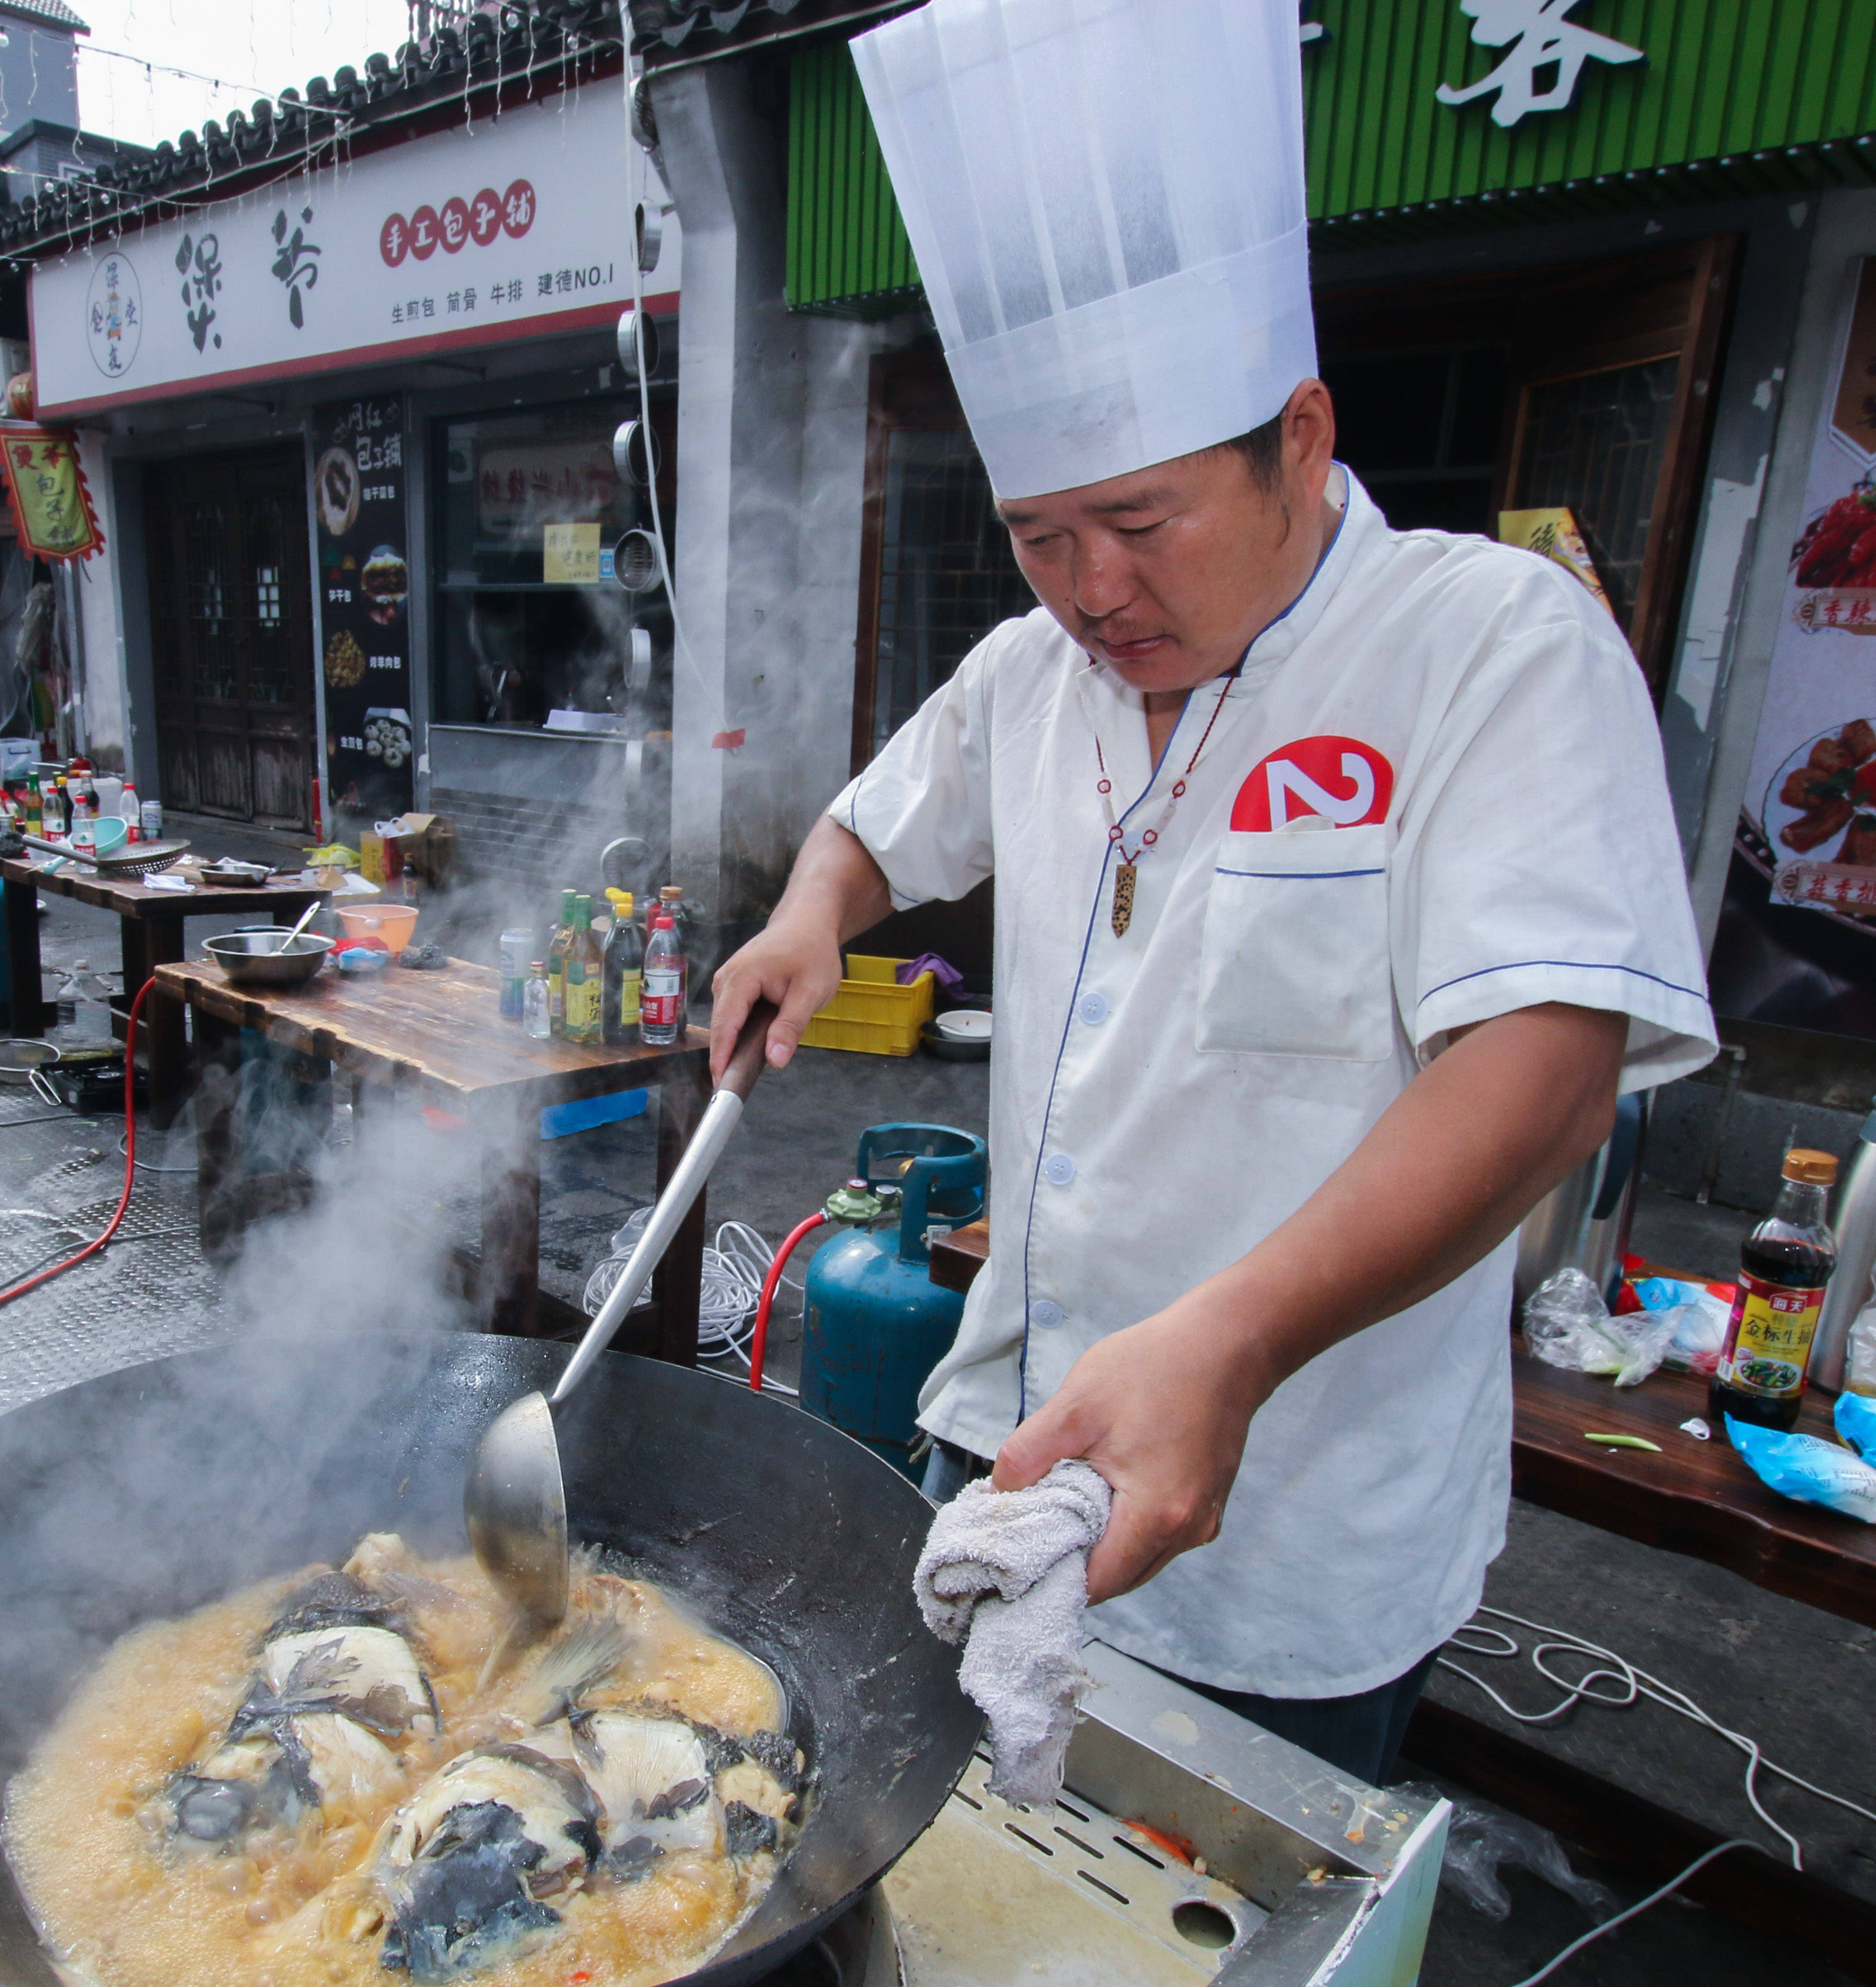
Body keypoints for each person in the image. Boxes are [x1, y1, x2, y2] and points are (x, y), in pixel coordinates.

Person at [705, 0, 1716, 1788]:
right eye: (1041, 532)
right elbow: (871, 826)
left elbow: (1548, 1068)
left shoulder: (1488, 645)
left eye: (1144, 521)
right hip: (1002, 1450)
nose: (1091, 587)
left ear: (1301, 436)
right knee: (946, 1916)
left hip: (1288, 1543)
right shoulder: (1034, 672)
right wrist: (808, 916)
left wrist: (1231, 1340)